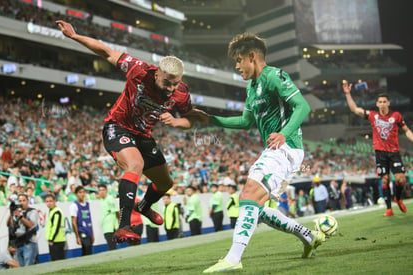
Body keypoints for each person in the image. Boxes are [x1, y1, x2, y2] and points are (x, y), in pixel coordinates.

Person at [194, 32, 325, 273]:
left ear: (252, 57)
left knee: (249, 194)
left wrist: (284, 133)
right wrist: (211, 119)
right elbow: (245, 122)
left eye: (239, 60)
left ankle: (233, 258)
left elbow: (302, 106)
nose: (236, 66)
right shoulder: (252, 89)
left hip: (285, 148)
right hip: (278, 151)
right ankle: (308, 236)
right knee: (256, 208)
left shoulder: (274, 75)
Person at [56, 20, 196, 244]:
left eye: (175, 84)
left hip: (143, 135)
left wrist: (178, 122)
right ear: (157, 73)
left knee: (165, 183)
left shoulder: (181, 92)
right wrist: (74, 36)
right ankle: (123, 226)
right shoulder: (139, 70)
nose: (171, 89)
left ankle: (144, 206)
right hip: (117, 126)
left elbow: (190, 119)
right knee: (135, 165)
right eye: (167, 83)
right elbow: (106, 51)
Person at [343, 82, 413, 216]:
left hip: (394, 152)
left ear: (388, 103)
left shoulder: (396, 116)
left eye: (384, 101)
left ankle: (397, 198)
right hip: (380, 152)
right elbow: (355, 109)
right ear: (377, 104)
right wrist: (348, 94)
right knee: (385, 179)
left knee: (400, 179)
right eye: (379, 102)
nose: (382, 104)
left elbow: (406, 131)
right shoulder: (373, 115)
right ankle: (389, 208)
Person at [7, 194, 39, 266]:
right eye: (20, 201)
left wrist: (20, 216)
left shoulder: (32, 211)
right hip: (18, 244)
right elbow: (9, 224)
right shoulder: (17, 212)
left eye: (24, 200)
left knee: (28, 267)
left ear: (27, 201)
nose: (22, 202)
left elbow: (31, 225)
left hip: (29, 243)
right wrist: (11, 213)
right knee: (21, 269)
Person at [70, 186, 94, 256]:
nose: (82, 194)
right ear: (76, 194)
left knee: (88, 250)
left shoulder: (87, 204)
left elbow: (89, 219)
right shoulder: (74, 205)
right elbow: (74, 222)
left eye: (83, 192)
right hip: (82, 230)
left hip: (88, 230)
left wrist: (92, 234)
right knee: (87, 248)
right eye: (80, 192)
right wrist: (77, 236)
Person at [98, 184, 121, 250]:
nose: (101, 192)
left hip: (111, 227)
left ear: (106, 190)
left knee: (112, 246)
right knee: (111, 246)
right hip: (106, 227)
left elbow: (117, 212)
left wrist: (117, 223)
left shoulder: (110, 199)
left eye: (103, 190)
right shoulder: (102, 200)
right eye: (100, 190)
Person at [44, 193, 66, 261]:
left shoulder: (56, 212)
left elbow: (56, 226)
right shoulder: (52, 211)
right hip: (56, 240)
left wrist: (51, 239)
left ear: (54, 201)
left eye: (50, 201)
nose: (49, 203)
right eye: (47, 201)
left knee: (57, 261)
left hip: (57, 241)